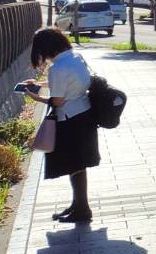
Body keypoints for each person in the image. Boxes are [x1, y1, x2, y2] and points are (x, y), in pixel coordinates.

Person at [22, 27, 99, 224]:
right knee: (79, 165)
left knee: (74, 165)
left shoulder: (57, 68)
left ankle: (82, 209)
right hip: (85, 114)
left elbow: (57, 101)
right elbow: (71, 83)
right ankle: (79, 205)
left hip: (70, 120)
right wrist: (42, 84)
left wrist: (34, 96)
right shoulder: (75, 56)